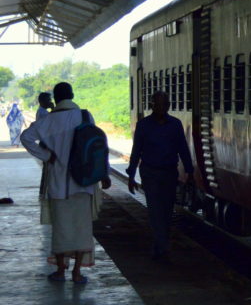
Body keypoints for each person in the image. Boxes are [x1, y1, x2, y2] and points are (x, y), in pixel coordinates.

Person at [20, 82, 111, 285]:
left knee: (61, 229)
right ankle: (77, 273)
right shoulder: (85, 116)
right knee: (82, 229)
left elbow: (25, 138)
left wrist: (46, 156)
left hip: (59, 185)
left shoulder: (48, 120)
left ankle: (61, 271)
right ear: (72, 95)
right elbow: (99, 146)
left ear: (56, 98)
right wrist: (103, 173)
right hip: (84, 183)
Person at [127, 90, 194, 262]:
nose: (161, 107)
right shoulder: (143, 125)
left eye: (164, 104)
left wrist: (189, 171)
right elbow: (136, 151)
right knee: (155, 210)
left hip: (169, 172)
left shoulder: (175, 124)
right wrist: (131, 174)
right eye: (158, 104)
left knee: (166, 210)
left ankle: (160, 243)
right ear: (152, 105)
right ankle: (162, 246)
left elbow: (183, 148)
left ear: (168, 106)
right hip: (150, 173)